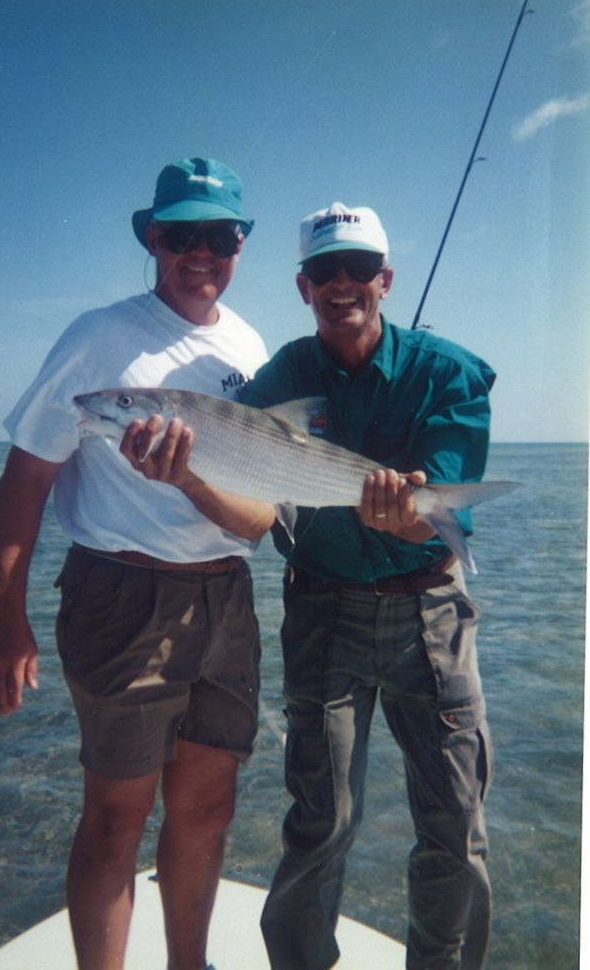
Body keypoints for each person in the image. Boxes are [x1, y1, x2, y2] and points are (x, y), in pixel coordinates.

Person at [0, 157, 270, 970]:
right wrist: (4, 618)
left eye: (220, 236)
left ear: (240, 245)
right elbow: (26, 477)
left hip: (227, 598)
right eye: (182, 235)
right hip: (121, 595)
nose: (201, 252)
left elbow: (257, 518)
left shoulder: (250, 349)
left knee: (208, 808)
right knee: (115, 816)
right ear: (152, 240)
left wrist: (191, 479)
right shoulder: (97, 338)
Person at [237, 203, 496, 970]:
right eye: (324, 270)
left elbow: (441, 515)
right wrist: (179, 467)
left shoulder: (444, 373)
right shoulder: (282, 377)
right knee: (321, 818)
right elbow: (236, 469)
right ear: (302, 286)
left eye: (358, 268)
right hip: (322, 609)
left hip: (430, 611)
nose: (341, 282)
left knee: (453, 821)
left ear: (385, 280)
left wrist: (409, 516)